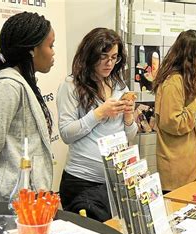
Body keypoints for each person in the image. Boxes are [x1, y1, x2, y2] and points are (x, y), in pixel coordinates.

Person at [57, 28, 137, 219]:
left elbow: (130, 135)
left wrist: (128, 117)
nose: (109, 63)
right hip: (81, 181)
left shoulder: (118, 84)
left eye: (114, 57)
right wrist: (99, 113)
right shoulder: (71, 85)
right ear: (90, 55)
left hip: (114, 181)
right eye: (104, 57)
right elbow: (66, 133)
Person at [0, 12, 55, 201]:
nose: (53, 52)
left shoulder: (22, 82)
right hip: (8, 204)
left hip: (27, 201)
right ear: (32, 50)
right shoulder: (7, 87)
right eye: (50, 46)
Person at [152, 30, 196, 192]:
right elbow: (174, 123)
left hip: (188, 165)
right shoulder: (173, 82)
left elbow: (190, 114)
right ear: (190, 57)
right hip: (176, 169)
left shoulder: (184, 79)